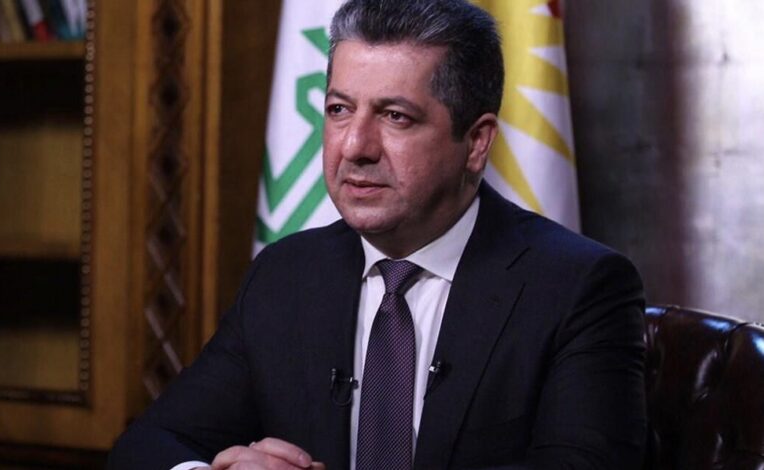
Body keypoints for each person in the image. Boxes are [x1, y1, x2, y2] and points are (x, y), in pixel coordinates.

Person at [108, 0, 647, 469]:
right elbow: (148, 446)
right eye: (339, 110)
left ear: (476, 142)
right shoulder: (285, 275)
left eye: (395, 116)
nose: (355, 146)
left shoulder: (576, 287)